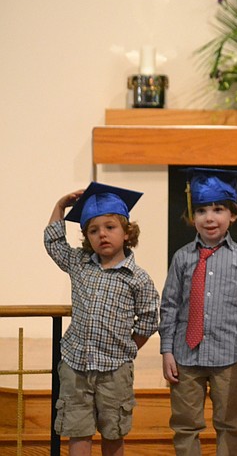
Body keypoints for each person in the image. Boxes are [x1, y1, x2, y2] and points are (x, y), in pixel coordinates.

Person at [44, 182, 159, 456]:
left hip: (114, 371)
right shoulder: (79, 263)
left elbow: (148, 320)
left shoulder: (138, 278)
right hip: (76, 366)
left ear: (127, 233)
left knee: (114, 432)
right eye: (93, 231)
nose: (102, 235)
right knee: (78, 431)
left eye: (110, 227)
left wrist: (126, 349)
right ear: (87, 237)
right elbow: (53, 243)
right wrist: (60, 206)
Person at [159, 167, 237, 456]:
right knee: (185, 424)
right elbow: (169, 306)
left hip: (229, 357)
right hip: (185, 357)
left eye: (218, 209)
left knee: (230, 423)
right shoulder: (182, 258)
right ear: (193, 218)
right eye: (202, 210)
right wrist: (167, 350)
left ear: (233, 215)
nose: (209, 217)